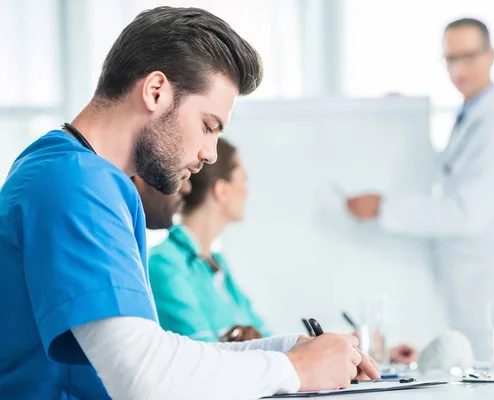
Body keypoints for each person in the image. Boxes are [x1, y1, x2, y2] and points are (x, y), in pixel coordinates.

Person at [0, 7, 378, 399]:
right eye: (208, 126)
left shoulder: (83, 175)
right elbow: (143, 377)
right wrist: (295, 369)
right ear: (156, 91)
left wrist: (285, 350)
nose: (211, 153)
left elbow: (152, 354)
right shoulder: (76, 181)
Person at [346, 18, 494, 362]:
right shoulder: (470, 119)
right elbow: (449, 172)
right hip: (469, 282)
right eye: (450, 59)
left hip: (492, 283)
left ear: (491, 55)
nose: (458, 69)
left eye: (468, 57)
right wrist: (402, 124)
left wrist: (384, 208)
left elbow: (467, 212)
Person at [138, 139, 268, 342]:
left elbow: (264, 333)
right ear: (222, 190)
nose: (247, 192)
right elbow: (200, 349)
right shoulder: (164, 264)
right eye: (243, 181)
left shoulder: (217, 264)